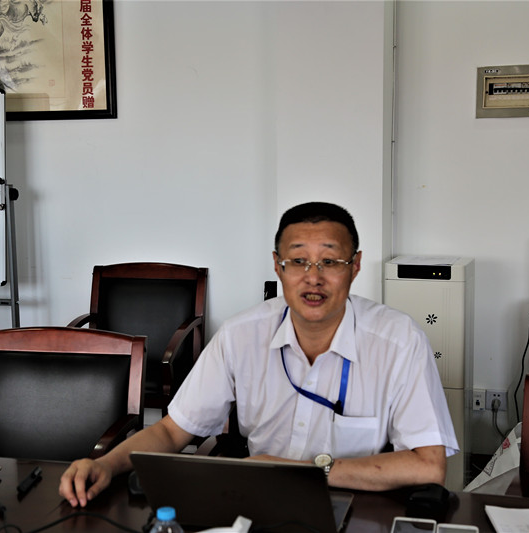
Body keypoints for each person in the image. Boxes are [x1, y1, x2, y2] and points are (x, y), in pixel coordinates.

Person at [59, 201, 458, 507]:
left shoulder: (398, 341)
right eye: (298, 261)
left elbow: (428, 465)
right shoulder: (241, 335)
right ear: (277, 267)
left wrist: (303, 471)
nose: (313, 277)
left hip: (357, 505)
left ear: (354, 267)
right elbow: (171, 431)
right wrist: (106, 464)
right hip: (259, 505)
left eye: (330, 262)